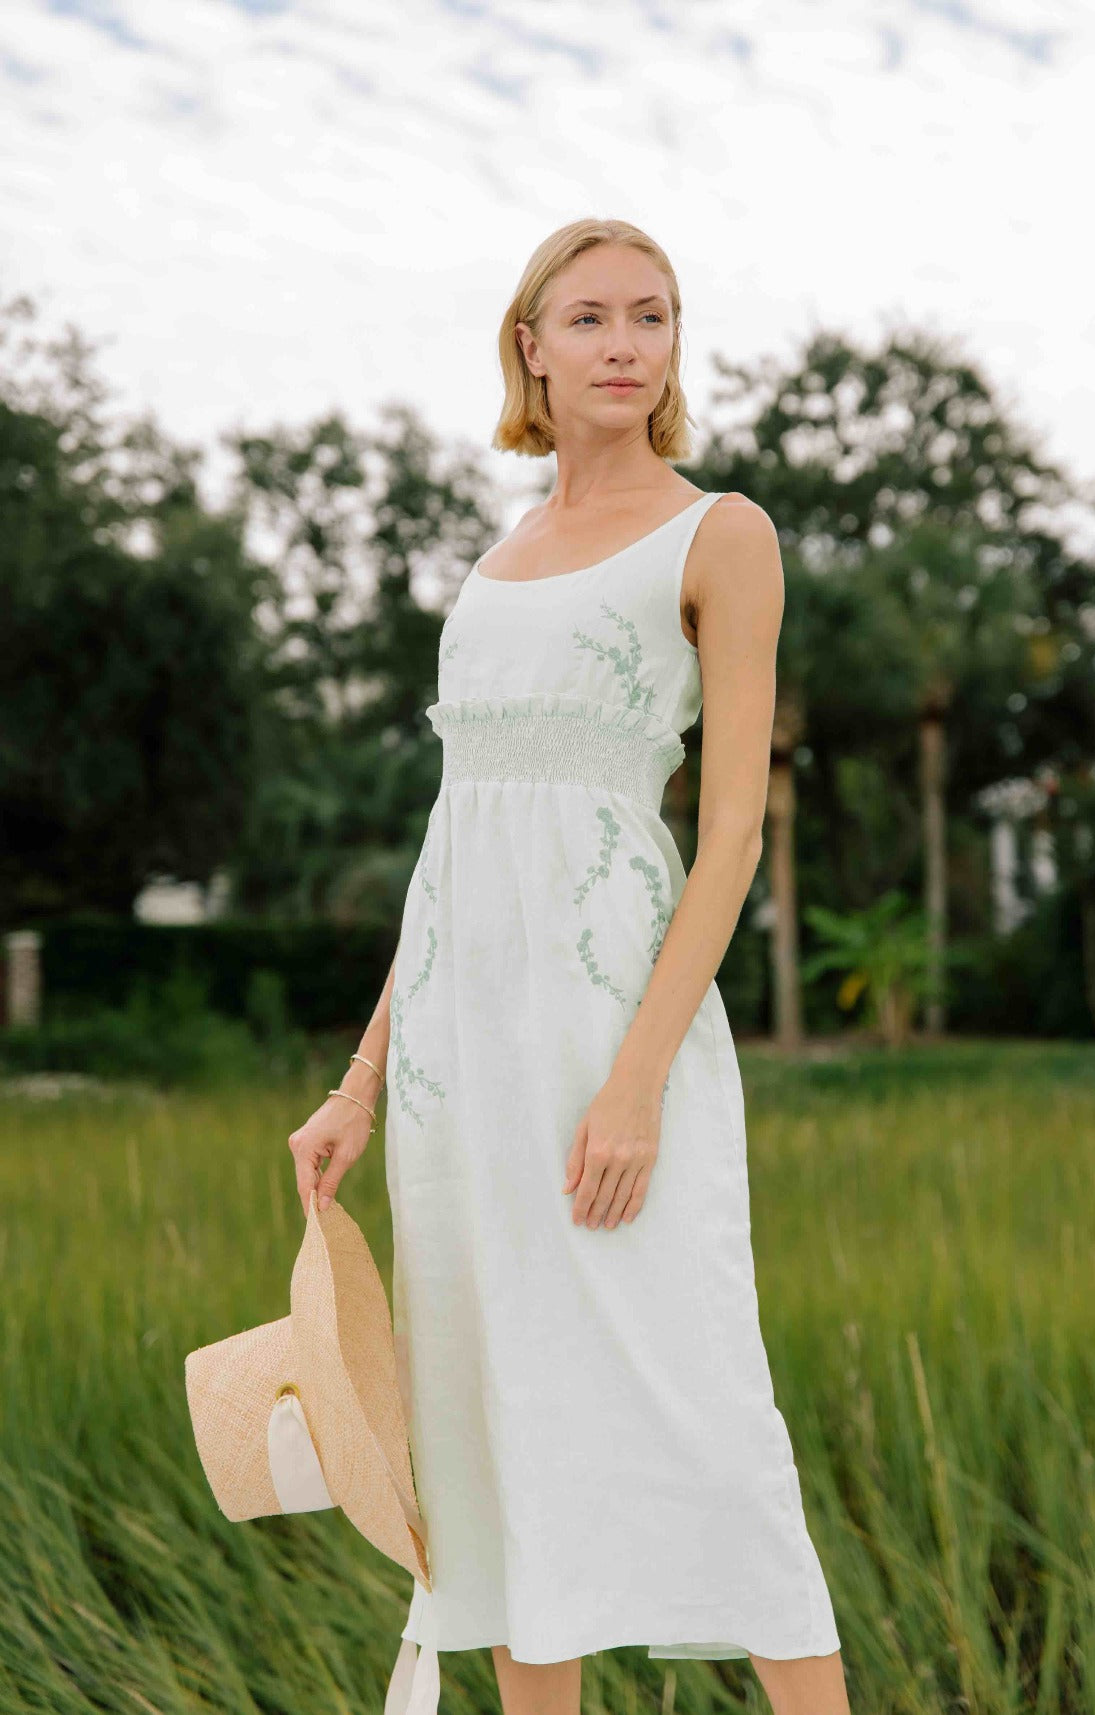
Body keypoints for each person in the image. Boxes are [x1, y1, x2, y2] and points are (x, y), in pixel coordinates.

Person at [288, 216, 851, 1715]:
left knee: (707, 1421)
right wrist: (358, 1081)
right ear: (529, 346)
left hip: (614, 1042)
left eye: (651, 318)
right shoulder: (493, 565)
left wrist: (637, 1085)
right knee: (500, 1448)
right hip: (456, 1075)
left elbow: (727, 832)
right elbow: (453, 851)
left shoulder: (719, 532)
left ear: (673, 348)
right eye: (590, 317)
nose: (624, 344)